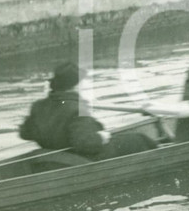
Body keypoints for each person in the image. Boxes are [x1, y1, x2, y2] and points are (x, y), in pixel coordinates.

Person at [19, 62, 157, 160]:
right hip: (80, 159)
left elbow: (25, 133)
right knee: (140, 139)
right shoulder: (77, 109)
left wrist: (44, 104)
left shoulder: (38, 106)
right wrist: (102, 137)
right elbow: (85, 144)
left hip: (54, 158)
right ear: (74, 85)